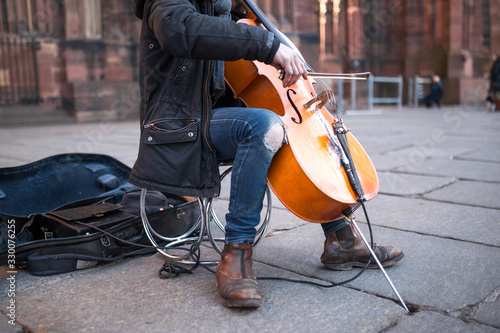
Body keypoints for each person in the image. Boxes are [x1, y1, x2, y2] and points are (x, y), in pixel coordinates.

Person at [130, 0, 404, 308]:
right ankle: (236, 253)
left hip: (216, 112)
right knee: (265, 127)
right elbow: (181, 30)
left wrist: (259, 27)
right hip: (179, 123)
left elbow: (236, 34)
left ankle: (341, 238)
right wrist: (269, 45)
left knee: (295, 124)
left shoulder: (224, 8)